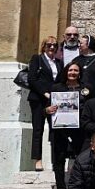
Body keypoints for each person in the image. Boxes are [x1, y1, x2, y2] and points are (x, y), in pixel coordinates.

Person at [47, 62, 91, 189]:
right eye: (70, 70)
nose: (73, 73)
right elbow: (46, 109)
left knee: (81, 160)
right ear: (66, 72)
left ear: (80, 73)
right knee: (59, 160)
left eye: (76, 70)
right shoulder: (56, 88)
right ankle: (61, 188)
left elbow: (89, 107)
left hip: (80, 131)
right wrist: (47, 110)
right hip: (60, 130)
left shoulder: (86, 89)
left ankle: (78, 188)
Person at [28, 36, 63, 172]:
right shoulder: (37, 59)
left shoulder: (59, 63)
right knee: (38, 129)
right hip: (38, 99)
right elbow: (32, 79)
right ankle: (38, 160)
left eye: (55, 45)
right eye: (49, 45)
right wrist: (45, 93)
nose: (52, 48)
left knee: (55, 131)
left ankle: (56, 161)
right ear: (44, 46)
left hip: (54, 100)